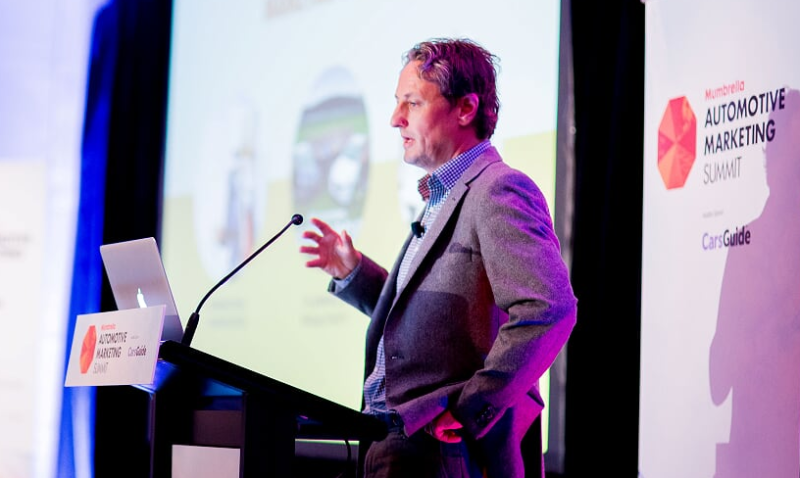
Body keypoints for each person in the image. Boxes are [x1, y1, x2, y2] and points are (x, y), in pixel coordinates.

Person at [300, 37, 577, 478]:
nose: (395, 119)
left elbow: (548, 309)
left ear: (465, 109)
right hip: (395, 444)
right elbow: (439, 322)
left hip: (442, 452)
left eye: (412, 102)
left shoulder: (498, 189)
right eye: (397, 103)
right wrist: (356, 274)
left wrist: (471, 407)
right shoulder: (441, 197)